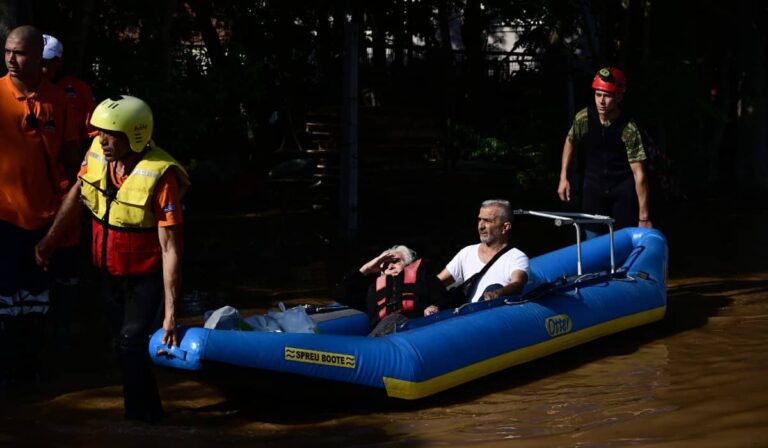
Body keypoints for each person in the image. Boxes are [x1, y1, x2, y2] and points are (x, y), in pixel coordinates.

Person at [36, 95, 190, 423]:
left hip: (146, 277)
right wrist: (49, 241)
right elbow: (76, 196)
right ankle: (147, 412)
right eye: (100, 132)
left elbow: (171, 249)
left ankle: (139, 419)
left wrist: (171, 315)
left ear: (134, 134)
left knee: (131, 340)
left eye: (111, 134)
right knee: (120, 345)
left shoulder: (161, 176)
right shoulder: (96, 153)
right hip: (106, 270)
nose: (102, 140)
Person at [0, 25, 79, 387]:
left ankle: (31, 375)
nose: (12, 60)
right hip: (3, 218)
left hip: (45, 221)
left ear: (38, 56)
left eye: (20, 53)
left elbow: (71, 160)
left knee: (36, 305)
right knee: (4, 303)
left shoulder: (58, 101)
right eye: (7, 52)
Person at [557, 67, 652, 238]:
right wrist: (564, 177)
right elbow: (570, 140)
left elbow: (639, 174)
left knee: (621, 242)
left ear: (618, 97)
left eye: (607, 96)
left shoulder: (628, 128)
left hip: (622, 190)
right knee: (591, 242)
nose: (601, 101)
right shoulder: (584, 117)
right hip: (594, 187)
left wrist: (644, 217)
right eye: (598, 94)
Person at [332, 245, 453, 336]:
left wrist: (435, 307)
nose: (390, 266)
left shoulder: (424, 279)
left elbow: (445, 300)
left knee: (395, 318)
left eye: (395, 261)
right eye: (384, 265)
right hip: (384, 335)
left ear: (408, 264)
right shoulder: (372, 289)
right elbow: (340, 294)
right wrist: (367, 268)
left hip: (414, 329)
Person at [435, 199, 529, 306]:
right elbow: (439, 282)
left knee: (494, 287)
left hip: (493, 316)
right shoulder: (467, 253)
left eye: (487, 221)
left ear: (505, 227)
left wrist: (496, 293)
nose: (481, 226)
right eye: (480, 220)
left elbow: (518, 283)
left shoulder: (516, 257)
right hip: (463, 317)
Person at [41, 33, 97, 148]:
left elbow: (91, 135)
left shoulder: (80, 90)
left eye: (44, 63)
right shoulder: (22, 87)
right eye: (35, 61)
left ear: (58, 62)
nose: (38, 68)